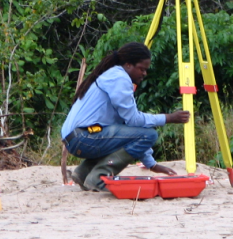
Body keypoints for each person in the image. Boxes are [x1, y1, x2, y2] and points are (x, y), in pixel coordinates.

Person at [61, 42, 190, 191]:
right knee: (150, 134)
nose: (144, 74)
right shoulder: (120, 79)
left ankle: (84, 173)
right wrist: (168, 118)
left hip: (77, 138)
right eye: (141, 69)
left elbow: (131, 129)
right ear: (128, 65)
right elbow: (135, 121)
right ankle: (98, 178)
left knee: (138, 135)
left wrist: (152, 164)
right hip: (82, 138)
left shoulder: (113, 75)